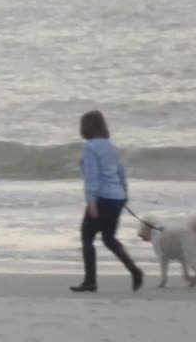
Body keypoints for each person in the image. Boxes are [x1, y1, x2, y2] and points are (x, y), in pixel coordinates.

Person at [70, 110, 143, 292]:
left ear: (86, 127)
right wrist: (123, 195)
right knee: (109, 238)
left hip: (102, 197)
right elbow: (120, 173)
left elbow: (92, 177)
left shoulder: (90, 147)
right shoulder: (110, 147)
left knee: (87, 237)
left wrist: (91, 201)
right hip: (116, 197)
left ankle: (90, 281)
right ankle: (135, 271)